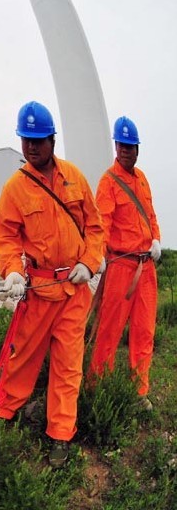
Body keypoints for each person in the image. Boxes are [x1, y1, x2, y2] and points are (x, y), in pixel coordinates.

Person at [0, 101, 103, 467]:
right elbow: (4, 236)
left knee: (68, 365)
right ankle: (6, 410)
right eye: (26, 140)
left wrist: (89, 263)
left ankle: (60, 434)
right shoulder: (15, 188)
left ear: (52, 140)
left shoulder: (75, 177)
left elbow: (95, 227)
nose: (31, 147)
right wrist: (11, 271)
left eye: (38, 140)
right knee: (23, 356)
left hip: (74, 290)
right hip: (38, 290)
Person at [88, 116, 161, 410]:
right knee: (109, 330)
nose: (127, 151)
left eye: (131, 146)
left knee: (144, 331)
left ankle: (138, 391)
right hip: (120, 266)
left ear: (137, 148)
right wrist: (99, 255)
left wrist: (156, 239)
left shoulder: (142, 178)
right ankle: (96, 388)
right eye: (123, 146)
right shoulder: (108, 181)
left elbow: (151, 215)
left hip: (146, 267)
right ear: (116, 147)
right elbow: (102, 223)